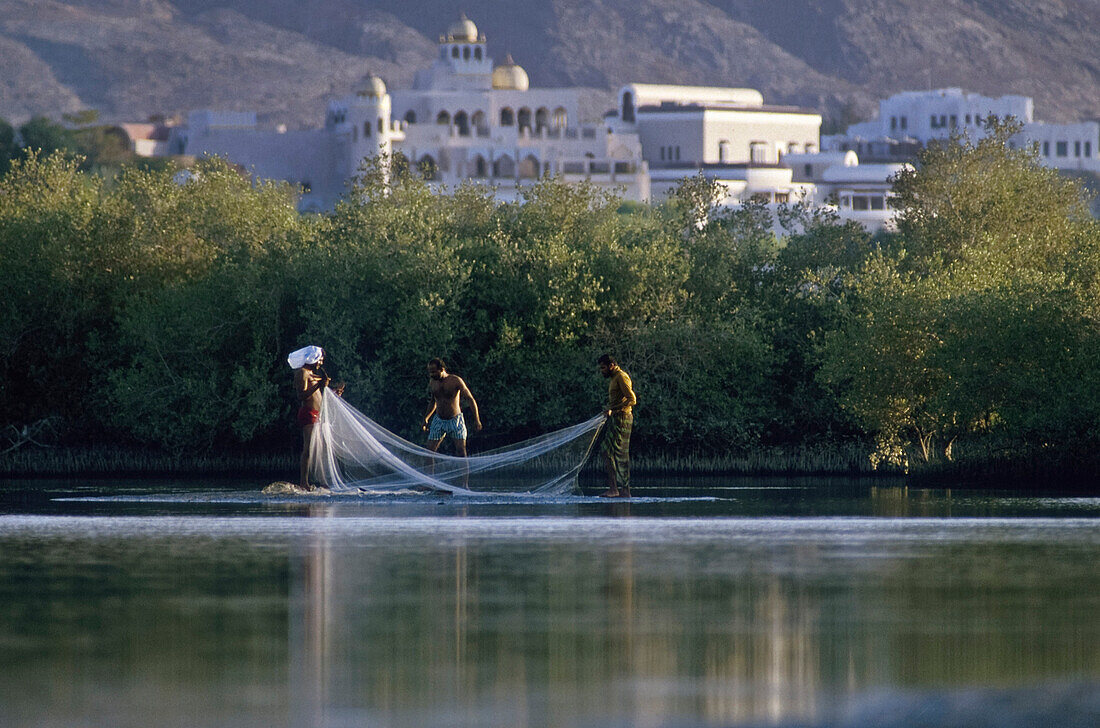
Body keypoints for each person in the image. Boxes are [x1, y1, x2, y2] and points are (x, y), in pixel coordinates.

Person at [422, 357, 482, 456]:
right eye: (430, 372)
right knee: (429, 451)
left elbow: (470, 399)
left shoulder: (455, 381)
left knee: (461, 451)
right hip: (439, 420)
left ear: (442, 369)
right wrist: (426, 418)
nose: (431, 375)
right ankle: (428, 472)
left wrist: (477, 419)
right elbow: (433, 401)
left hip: (455, 420)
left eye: (434, 372)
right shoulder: (432, 382)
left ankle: (465, 472)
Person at [289, 345, 329, 491]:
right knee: (308, 448)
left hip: (317, 415)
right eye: (320, 360)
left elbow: (318, 396)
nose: (321, 363)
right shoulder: (302, 373)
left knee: (321, 449)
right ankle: (303, 483)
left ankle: (322, 481)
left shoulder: (313, 374)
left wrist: (334, 391)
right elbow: (301, 395)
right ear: (314, 358)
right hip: (308, 413)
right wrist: (319, 385)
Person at [597, 353, 636, 498]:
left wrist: (614, 410)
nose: (602, 371)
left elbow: (632, 399)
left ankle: (621, 490)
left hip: (623, 419)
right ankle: (616, 489)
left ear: (611, 365)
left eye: (603, 368)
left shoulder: (621, 376)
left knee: (619, 453)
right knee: (607, 451)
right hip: (616, 418)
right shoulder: (614, 378)